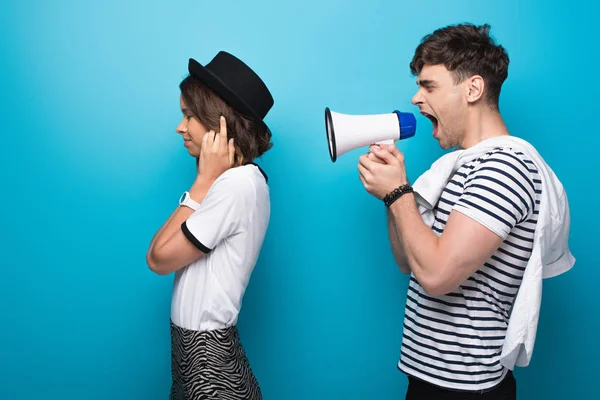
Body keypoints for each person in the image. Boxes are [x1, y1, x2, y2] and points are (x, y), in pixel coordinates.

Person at [358, 23, 574, 399]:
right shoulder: (461, 166)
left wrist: (396, 192)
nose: (414, 98)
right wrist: (391, 195)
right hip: (430, 378)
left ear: (473, 88)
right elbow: (409, 261)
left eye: (428, 86)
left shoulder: (505, 167)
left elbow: (438, 275)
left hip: (465, 387)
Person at [146, 51, 275, 400]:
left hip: (210, 365)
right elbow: (159, 250)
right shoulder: (229, 183)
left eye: (189, 116)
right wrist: (205, 183)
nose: (180, 127)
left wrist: (202, 183)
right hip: (195, 357)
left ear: (220, 123)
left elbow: (158, 259)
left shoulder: (235, 185)